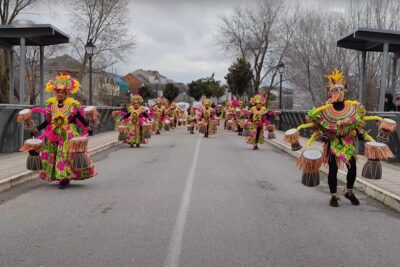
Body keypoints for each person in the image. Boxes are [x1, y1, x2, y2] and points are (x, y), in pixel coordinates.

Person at [296, 69, 384, 207]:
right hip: (333, 142)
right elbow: (318, 126)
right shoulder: (324, 111)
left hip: (348, 141)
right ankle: (333, 196)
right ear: (330, 93)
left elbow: (357, 123)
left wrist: (360, 133)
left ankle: (349, 191)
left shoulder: (353, 107)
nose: (339, 92)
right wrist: (324, 135)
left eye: (341, 89)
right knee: (333, 169)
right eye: (335, 90)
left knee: (353, 168)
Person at [33, 72, 96, 189]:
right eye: (58, 92)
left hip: (68, 133)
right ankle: (61, 177)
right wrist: (37, 129)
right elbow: (48, 121)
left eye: (62, 92)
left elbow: (80, 118)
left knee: (65, 155)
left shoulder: (72, 105)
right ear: (55, 92)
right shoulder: (51, 105)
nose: (60, 94)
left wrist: (87, 128)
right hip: (54, 133)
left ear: (66, 93)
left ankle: (63, 178)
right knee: (53, 155)